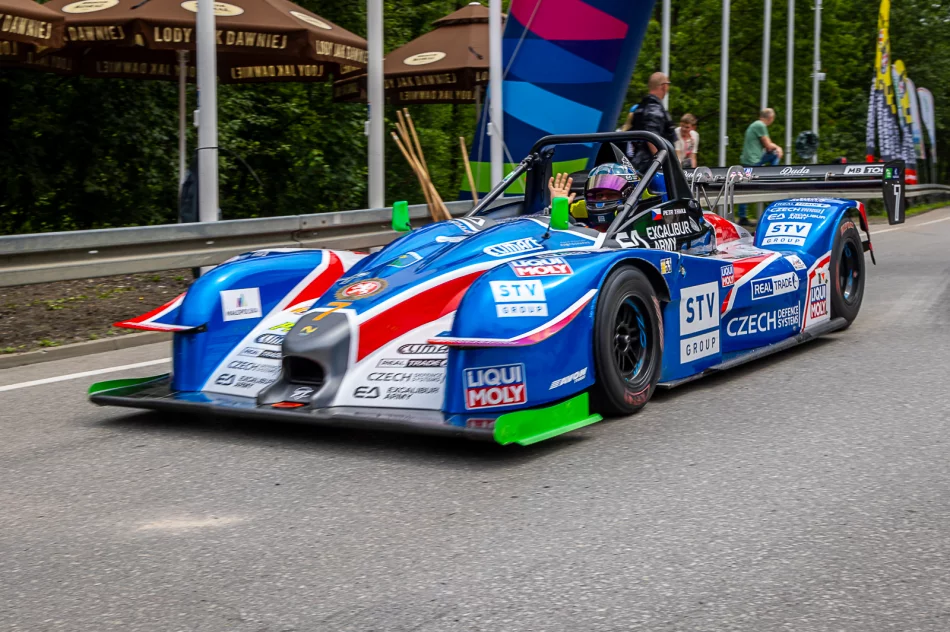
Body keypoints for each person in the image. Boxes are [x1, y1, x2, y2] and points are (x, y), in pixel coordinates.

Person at [737, 108, 784, 225]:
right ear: (770, 118)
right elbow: (768, 146)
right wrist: (779, 148)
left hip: (747, 160)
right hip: (753, 161)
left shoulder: (754, 125)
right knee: (775, 153)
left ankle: (742, 215)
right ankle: (773, 175)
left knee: (744, 187)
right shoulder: (760, 125)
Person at [626, 72, 677, 171]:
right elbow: (652, 138)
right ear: (664, 86)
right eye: (668, 84)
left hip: (641, 163)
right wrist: (662, 164)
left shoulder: (641, 107)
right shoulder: (654, 108)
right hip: (650, 166)